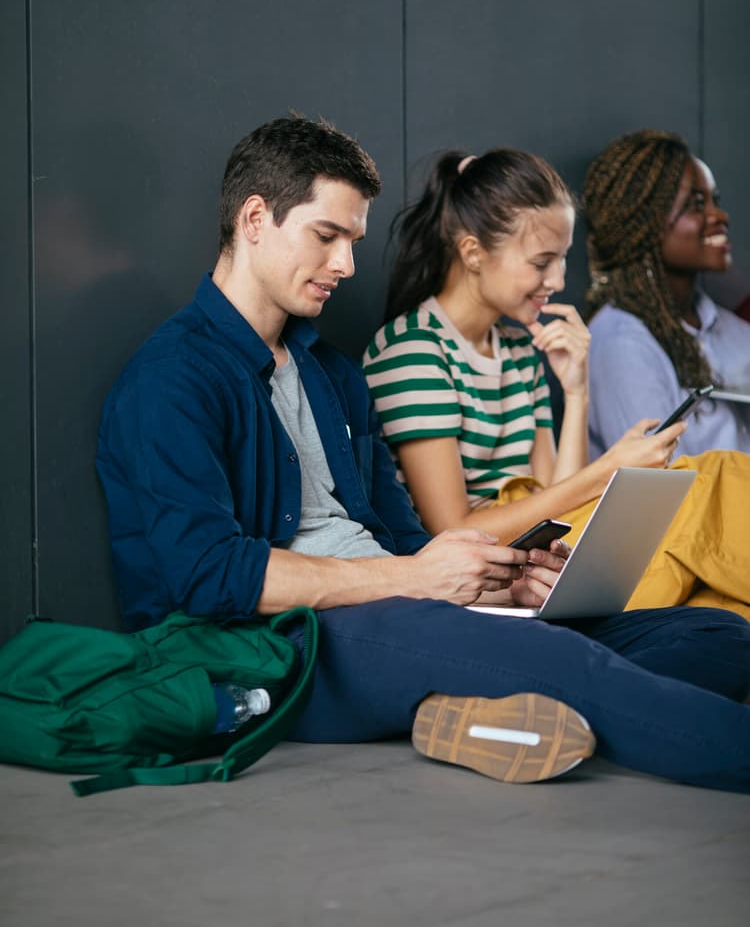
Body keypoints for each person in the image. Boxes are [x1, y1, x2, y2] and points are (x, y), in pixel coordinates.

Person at [97, 117, 750, 793]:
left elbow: (407, 540)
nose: (346, 265)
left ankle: (472, 708)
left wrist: (495, 582)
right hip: (284, 643)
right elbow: (209, 576)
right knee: (557, 658)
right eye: (327, 236)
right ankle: (515, 694)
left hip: (398, 610)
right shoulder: (173, 378)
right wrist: (415, 579)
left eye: (353, 242)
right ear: (255, 219)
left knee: (717, 634)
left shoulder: (333, 375)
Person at [362, 148, 750, 618]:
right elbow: (453, 530)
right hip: (490, 569)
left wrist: (576, 389)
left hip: (546, 549)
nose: (559, 280)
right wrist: (608, 469)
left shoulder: (519, 347)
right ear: (473, 253)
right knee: (712, 483)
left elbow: (557, 500)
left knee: (720, 599)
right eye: (542, 261)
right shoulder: (414, 350)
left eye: (563, 259)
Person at [583, 129, 750, 458]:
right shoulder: (620, 342)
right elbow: (661, 477)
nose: (719, 216)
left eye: (715, 201)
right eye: (696, 205)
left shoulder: (734, 331)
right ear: (643, 223)